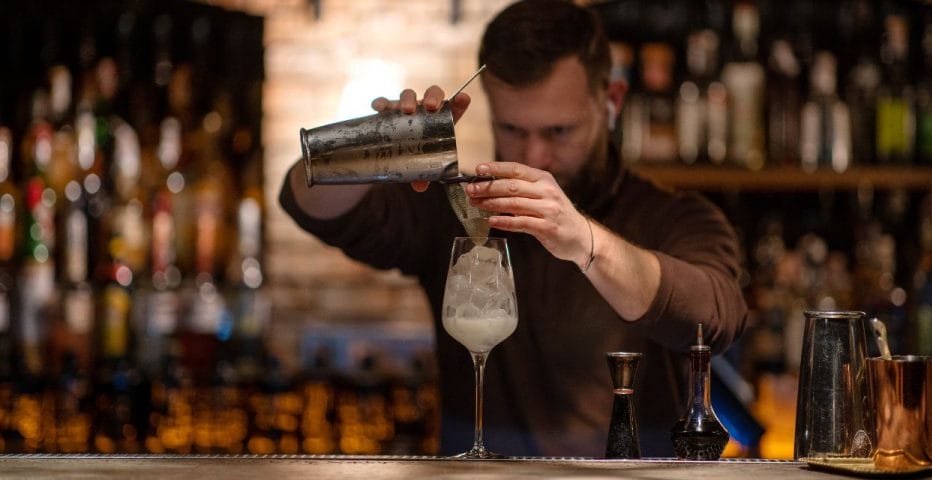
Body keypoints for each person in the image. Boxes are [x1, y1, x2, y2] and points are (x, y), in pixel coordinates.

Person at [280, 0, 748, 457]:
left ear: (611, 101)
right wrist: (375, 143)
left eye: (559, 131)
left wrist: (585, 240)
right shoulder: (457, 206)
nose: (535, 155)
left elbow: (713, 319)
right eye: (512, 129)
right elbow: (306, 202)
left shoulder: (675, 217)